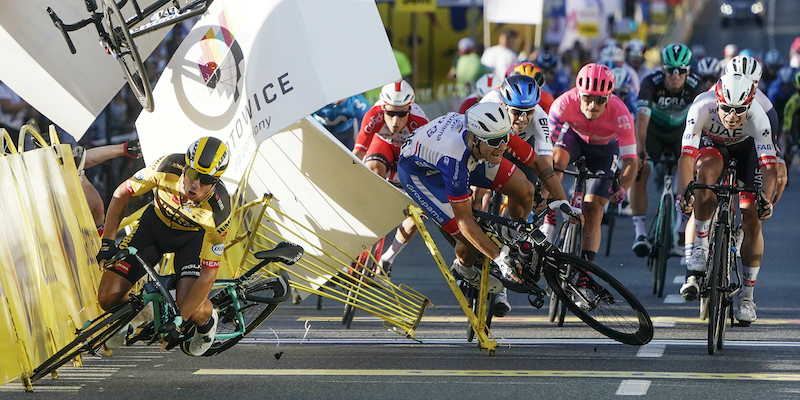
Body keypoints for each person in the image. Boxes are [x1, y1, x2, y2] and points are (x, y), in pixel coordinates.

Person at [397, 102, 573, 303]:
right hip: (421, 175)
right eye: (495, 142)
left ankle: (510, 234)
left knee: (525, 189)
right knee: (469, 239)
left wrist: (564, 204)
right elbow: (465, 223)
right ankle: (465, 270)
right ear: (474, 139)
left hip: (470, 154)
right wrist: (499, 259)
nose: (502, 146)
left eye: (505, 139)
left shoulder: (496, 132)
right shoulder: (454, 160)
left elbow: (538, 164)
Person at [96, 136, 231, 356]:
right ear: (185, 167)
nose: (195, 184)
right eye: (193, 174)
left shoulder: (220, 211)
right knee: (107, 298)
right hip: (152, 228)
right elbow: (122, 193)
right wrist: (108, 242)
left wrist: (179, 322)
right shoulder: (166, 167)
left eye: (205, 180)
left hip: (190, 241)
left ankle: (207, 323)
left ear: (215, 182)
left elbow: (208, 276)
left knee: (190, 307)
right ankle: (130, 318)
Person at [676, 74, 777, 325]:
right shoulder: (702, 106)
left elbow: (768, 167)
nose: (732, 116)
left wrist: (767, 199)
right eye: (727, 109)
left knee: (752, 217)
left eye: (739, 111)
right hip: (713, 145)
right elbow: (687, 158)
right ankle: (700, 244)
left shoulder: (759, 117)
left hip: (747, 150)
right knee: (705, 173)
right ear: (717, 101)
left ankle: (747, 296)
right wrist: (684, 192)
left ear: (749, 105)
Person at [479, 74, 565, 316]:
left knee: (528, 192)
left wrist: (544, 196)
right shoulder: (489, 104)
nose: (524, 118)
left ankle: (511, 237)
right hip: (489, 150)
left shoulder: (539, 117)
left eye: (528, 111)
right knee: (477, 193)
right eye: (517, 112)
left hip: (520, 154)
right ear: (504, 105)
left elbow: (546, 163)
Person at [550, 63, 638, 263]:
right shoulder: (563, 103)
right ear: (578, 94)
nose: (593, 105)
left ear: (609, 98)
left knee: (594, 208)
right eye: (588, 98)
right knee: (556, 160)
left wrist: (623, 188)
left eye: (600, 100)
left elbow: (632, 161)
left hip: (604, 148)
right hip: (574, 137)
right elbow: (544, 149)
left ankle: (584, 275)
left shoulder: (621, 113)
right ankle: (549, 216)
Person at [629, 43, 704, 258]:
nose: (675, 75)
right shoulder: (650, 83)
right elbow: (641, 119)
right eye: (670, 69)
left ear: (688, 70)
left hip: (682, 132)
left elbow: (703, 120)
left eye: (681, 70)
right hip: (654, 132)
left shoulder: (695, 85)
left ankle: (681, 225)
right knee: (640, 171)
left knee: (691, 173)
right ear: (663, 68)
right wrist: (641, 148)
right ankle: (640, 232)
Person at [353, 80, 429, 275]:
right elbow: (358, 154)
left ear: (410, 109)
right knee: (373, 169)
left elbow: (426, 165)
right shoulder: (373, 115)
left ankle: (388, 257)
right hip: (382, 147)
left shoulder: (420, 123)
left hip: (408, 155)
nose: (395, 121)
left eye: (402, 113)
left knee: (419, 210)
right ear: (383, 108)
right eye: (390, 113)